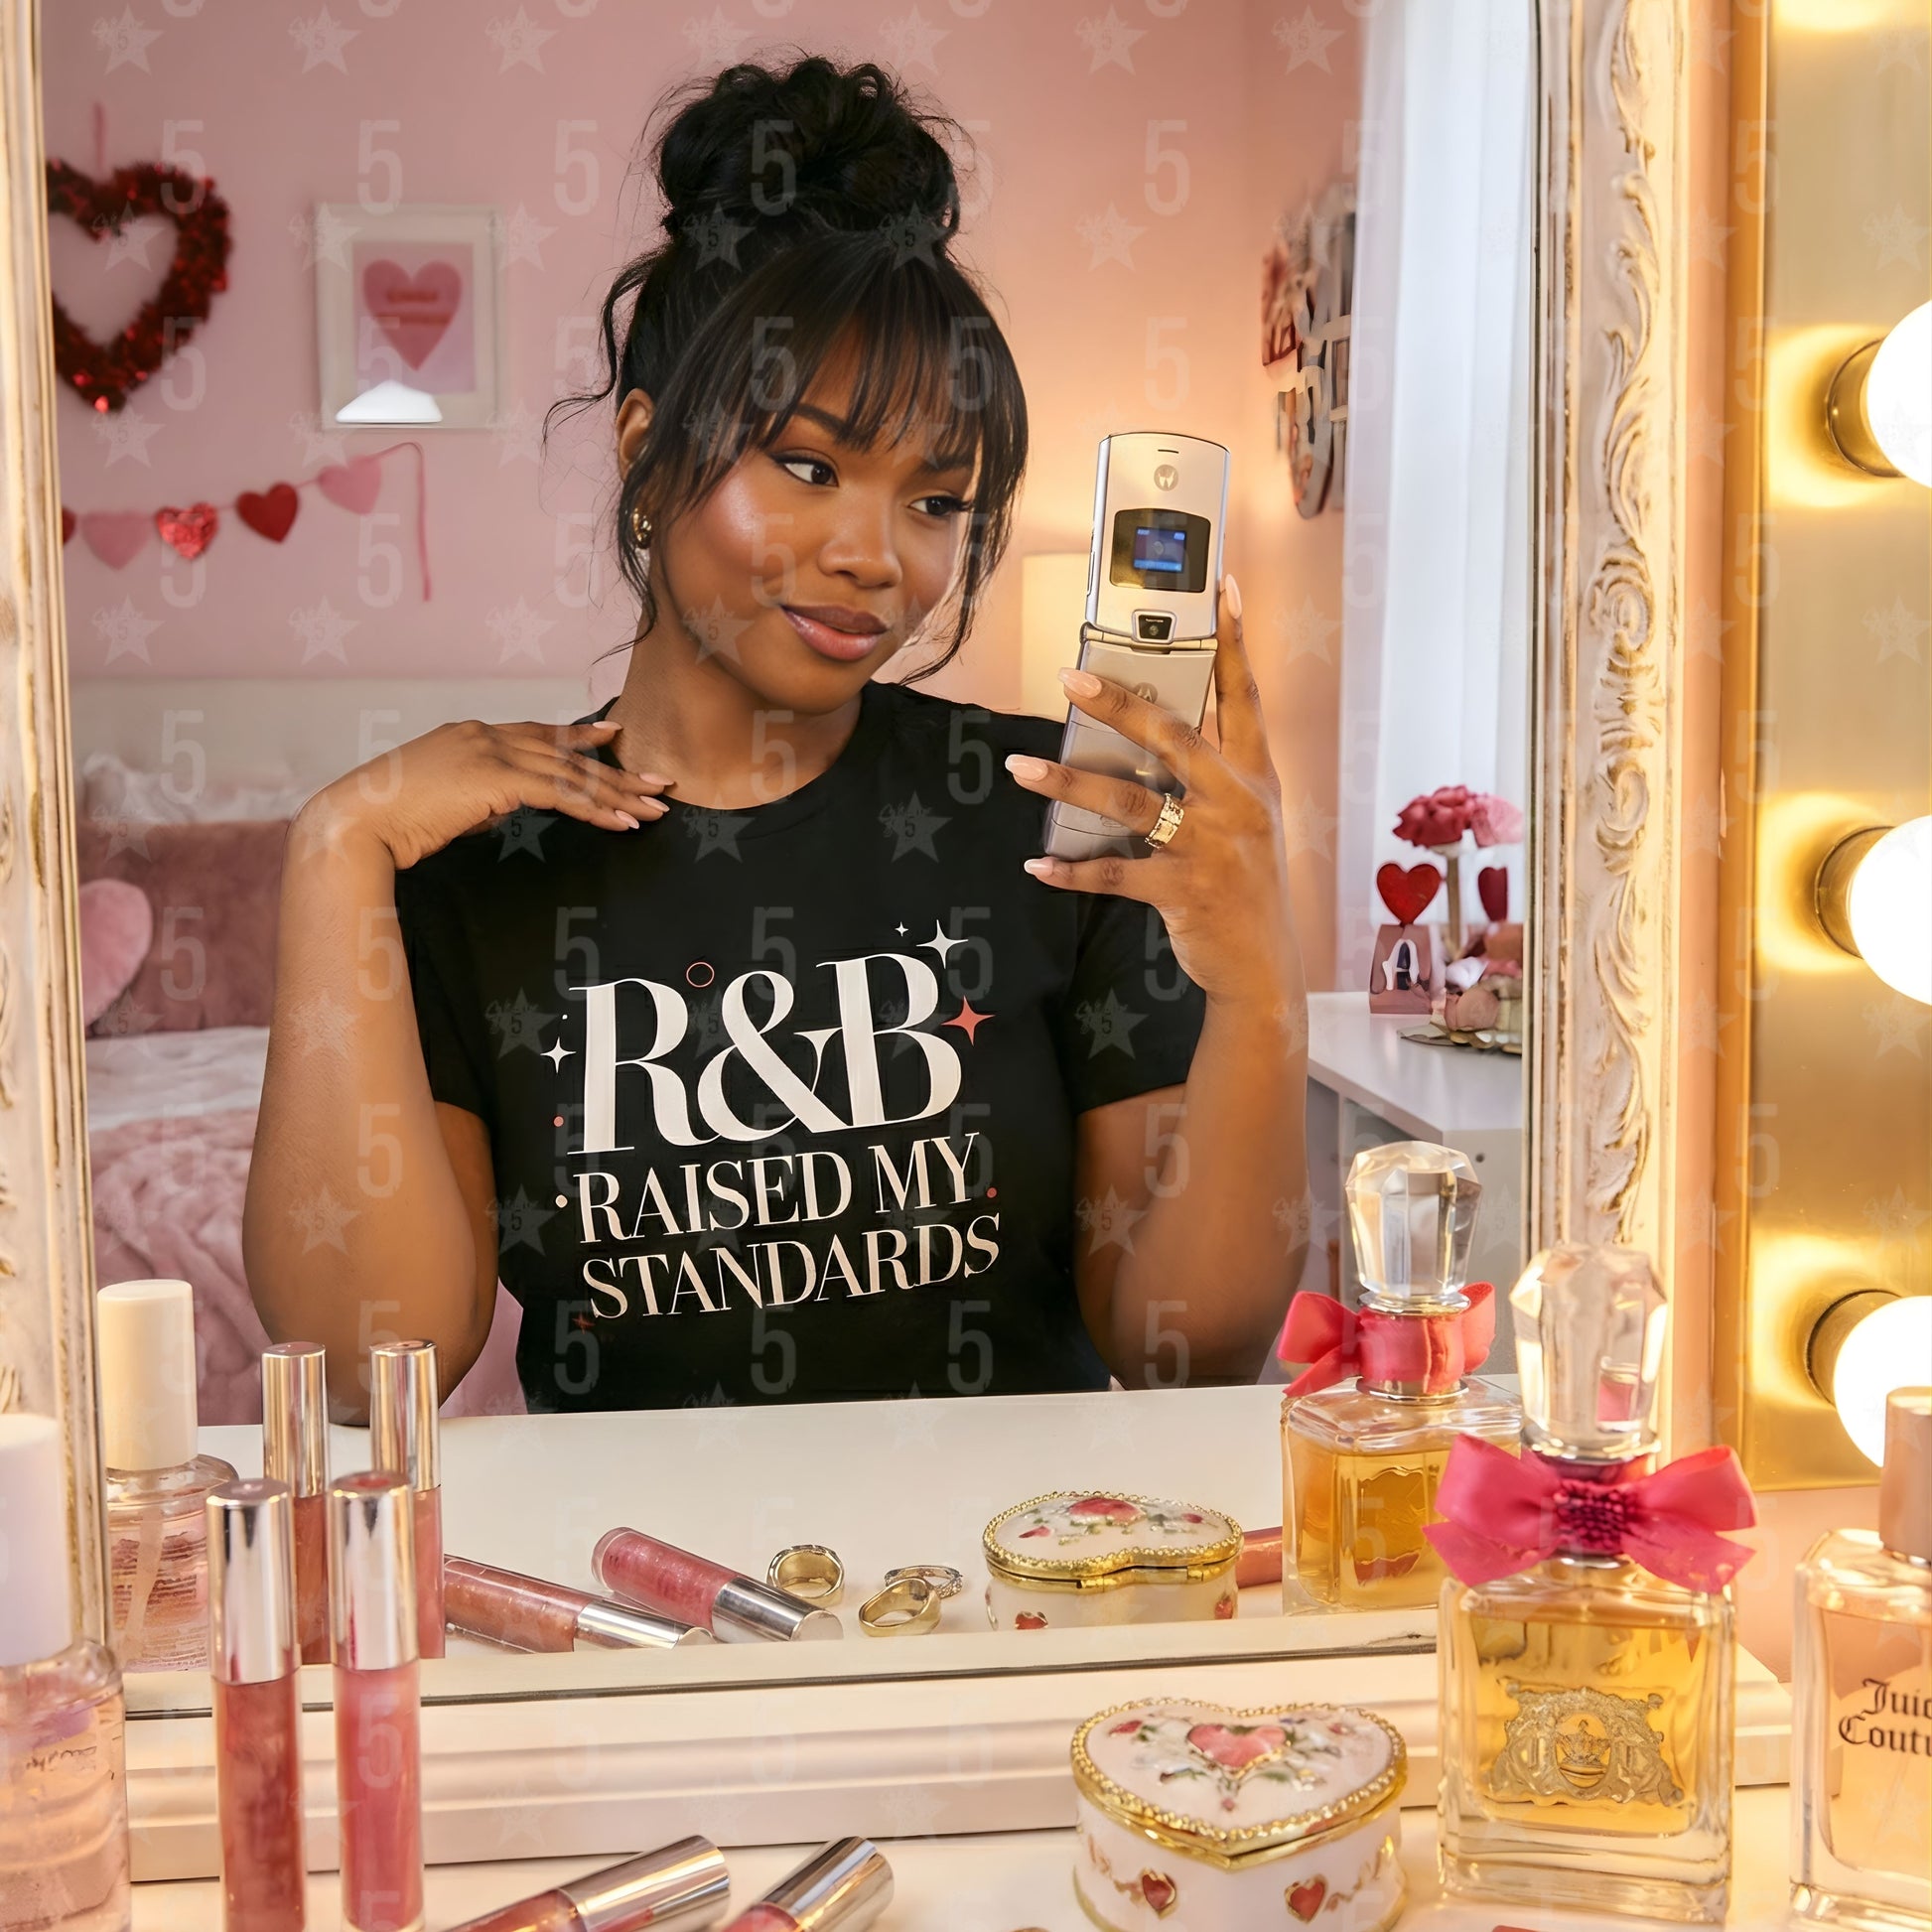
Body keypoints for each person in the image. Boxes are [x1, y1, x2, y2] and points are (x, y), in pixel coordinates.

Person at [243, 56, 1308, 1419]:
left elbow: (1185, 1349)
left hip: (1022, 1594)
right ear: (644, 447)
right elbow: (356, 1370)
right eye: (807, 467)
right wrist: (333, 853)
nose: (876, 557)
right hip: (643, 1605)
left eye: (935, 500)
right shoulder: (476, 875)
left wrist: (1259, 975)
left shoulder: (1058, 809)